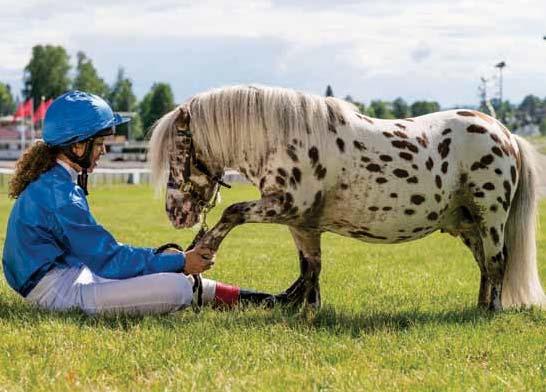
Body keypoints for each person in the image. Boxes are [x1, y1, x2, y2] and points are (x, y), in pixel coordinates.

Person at [2, 91, 272, 315]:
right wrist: (180, 262)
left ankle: (264, 300)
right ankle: (257, 300)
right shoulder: (60, 194)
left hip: (68, 274)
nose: (104, 151)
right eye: (99, 144)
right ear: (77, 147)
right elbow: (110, 259)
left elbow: (103, 256)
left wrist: (174, 261)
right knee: (176, 288)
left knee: (170, 266)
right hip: (56, 291)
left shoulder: (54, 182)